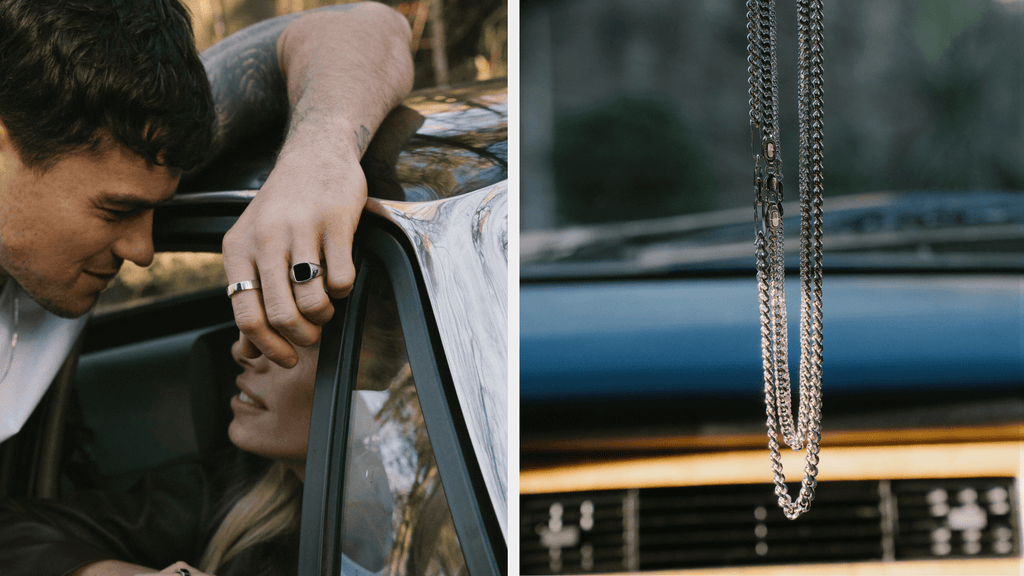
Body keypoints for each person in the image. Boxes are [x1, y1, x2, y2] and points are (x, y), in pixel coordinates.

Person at [0, 0, 415, 443]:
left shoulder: (130, 129)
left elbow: (371, 25)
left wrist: (318, 158)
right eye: (115, 211)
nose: (142, 252)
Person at [0, 332, 402, 576]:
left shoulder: (438, 515)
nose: (242, 350)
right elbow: (12, 531)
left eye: (289, 336)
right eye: (255, 324)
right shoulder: (227, 492)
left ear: (370, 386)